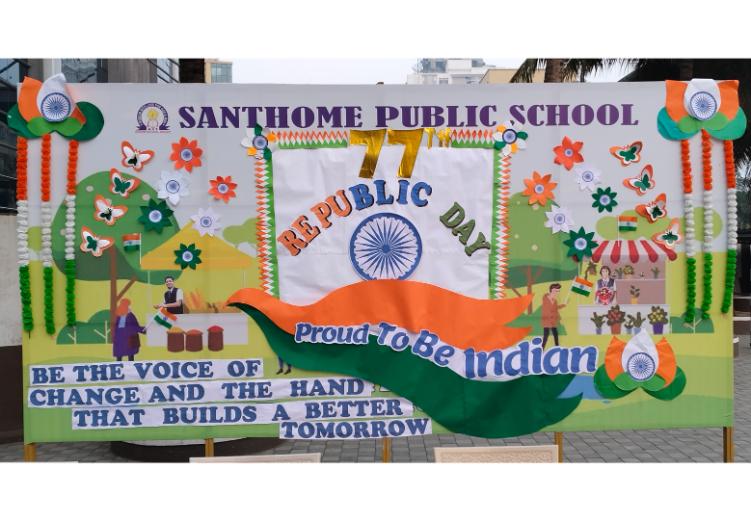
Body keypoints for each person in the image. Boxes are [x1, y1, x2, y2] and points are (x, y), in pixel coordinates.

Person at [541, 283, 566, 349]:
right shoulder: (545, 298)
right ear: (552, 290)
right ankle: (542, 348)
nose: (557, 292)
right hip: (547, 320)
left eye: (558, 291)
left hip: (553, 321)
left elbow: (555, 308)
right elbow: (548, 308)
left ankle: (557, 347)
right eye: (556, 291)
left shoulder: (555, 300)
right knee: (546, 335)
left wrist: (562, 305)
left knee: (555, 334)